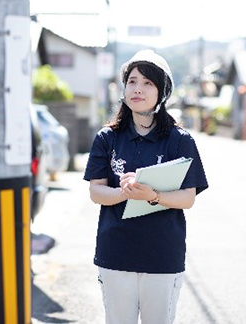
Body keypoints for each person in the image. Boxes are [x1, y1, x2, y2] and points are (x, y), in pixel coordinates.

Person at [83, 49, 209, 324]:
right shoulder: (108, 138)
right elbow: (96, 191)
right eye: (132, 81)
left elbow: (188, 198)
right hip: (116, 253)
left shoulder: (180, 140)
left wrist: (153, 195)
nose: (137, 89)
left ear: (162, 92)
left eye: (147, 83)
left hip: (162, 256)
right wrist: (124, 192)